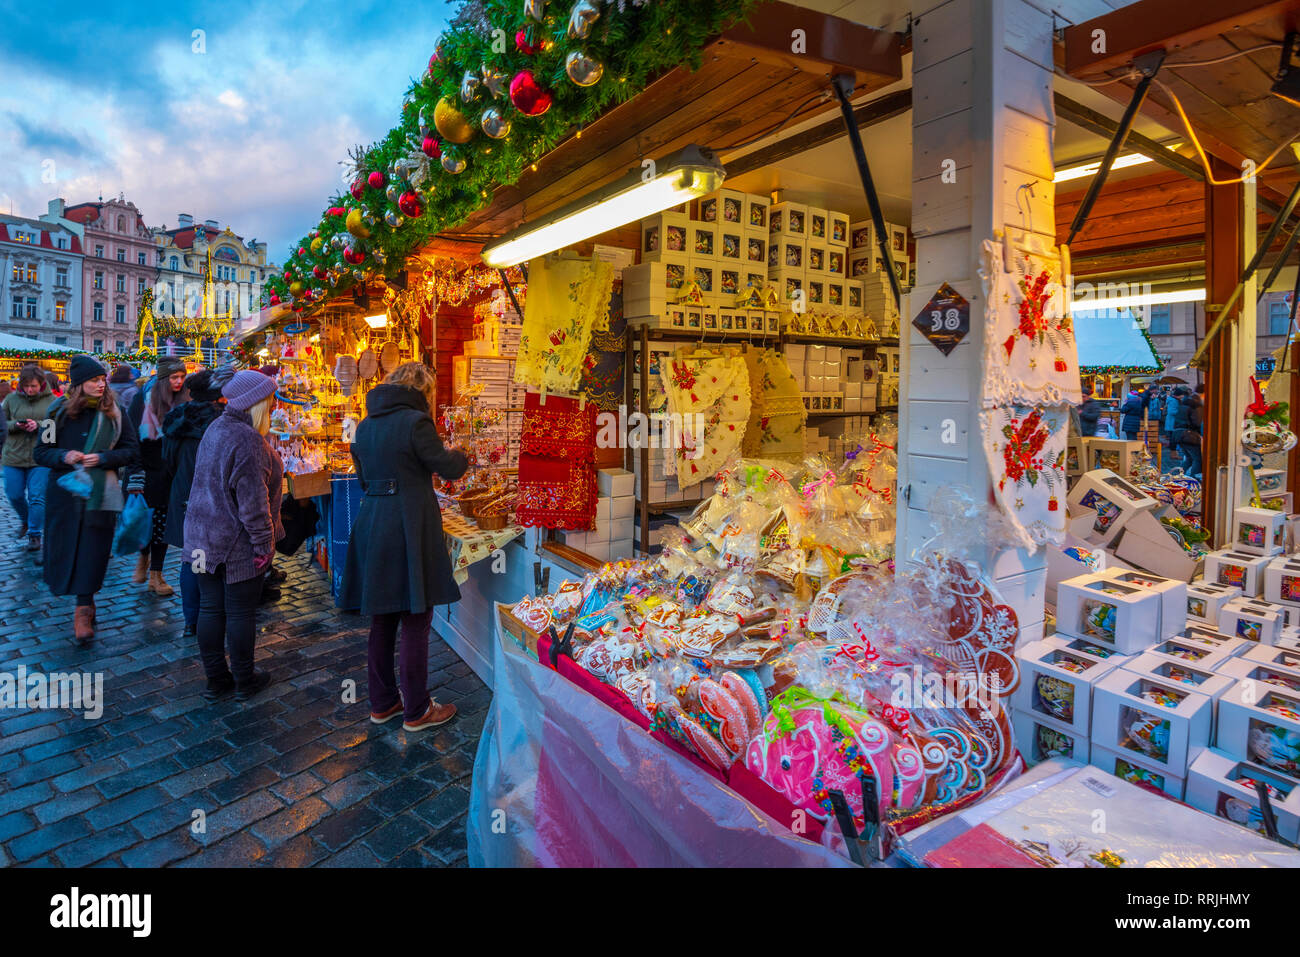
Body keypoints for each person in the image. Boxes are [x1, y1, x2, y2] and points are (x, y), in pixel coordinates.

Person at [340, 361, 467, 732]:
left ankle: (383, 704)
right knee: (416, 616)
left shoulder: (364, 428)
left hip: (373, 523)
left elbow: (364, 480)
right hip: (409, 526)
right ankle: (417, 709)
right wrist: (461, 452)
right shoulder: (415, 422)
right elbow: (447, 467)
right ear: (421, 392)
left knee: (382, 618)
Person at [183, 370, 283, 700]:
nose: (272, 407)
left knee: (211, 609)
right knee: (240, 612)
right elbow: (253, 505)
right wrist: (264, 546)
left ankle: (217, 680)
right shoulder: (247, 440)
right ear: (255, 403)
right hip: (232, 541)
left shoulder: (217, 427)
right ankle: (244, 679)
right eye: (269, 401)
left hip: (200, 535)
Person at [34, 355, 140, 643]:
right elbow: (40, 452)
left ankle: (83, 608)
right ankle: (82, 602)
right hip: (64, 493)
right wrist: (63, 456)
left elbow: (132, 450)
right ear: (80, 384)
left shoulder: (115, 411)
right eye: (95, 380)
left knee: (93, 551)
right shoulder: (56, 413)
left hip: (101, 493)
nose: (101, 384)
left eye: (103, 379)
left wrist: (105, 458)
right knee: (67, 548)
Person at [162, 369, 226, 637]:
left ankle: (193, 618)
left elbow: (168, 461)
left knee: (192, 557)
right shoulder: (224, 421)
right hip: (214, 494)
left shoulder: (177, 419)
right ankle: (211, 614)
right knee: (216, 558)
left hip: (184, 492)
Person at [127, 356, 187, 595]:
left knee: (163, 525)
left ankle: (157, 576)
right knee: (145, 521)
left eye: (182, 377)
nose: (179, 382)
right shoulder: (141, 401)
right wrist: (134, 472)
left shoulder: (184, 400)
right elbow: (131, 438)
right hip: (145, 469)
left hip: (169, 472)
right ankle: (143, 558)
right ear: (163, 378)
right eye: (174, 377)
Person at [3, 366, 55, 559]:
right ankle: (26, 520)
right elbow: (2, 423)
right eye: (25, 386)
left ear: (41, 384)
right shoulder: (11, 399)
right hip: (13, 455)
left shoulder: (52, 402)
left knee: (37, 497)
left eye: (33, 386)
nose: (29, 390)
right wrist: (15, 425)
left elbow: (55, 428)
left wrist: (39, 426)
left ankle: (34, 534)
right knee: (14, 494)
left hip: (39, 457)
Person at [1177, 387, 1204, 479]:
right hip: (1191, 435)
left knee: (1189, 458)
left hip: (1181, 434)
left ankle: (1180, 477)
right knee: (1197, 459)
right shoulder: (1197, 404)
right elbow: (1198, 422)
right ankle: (1194, 479)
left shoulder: (1185, 401)